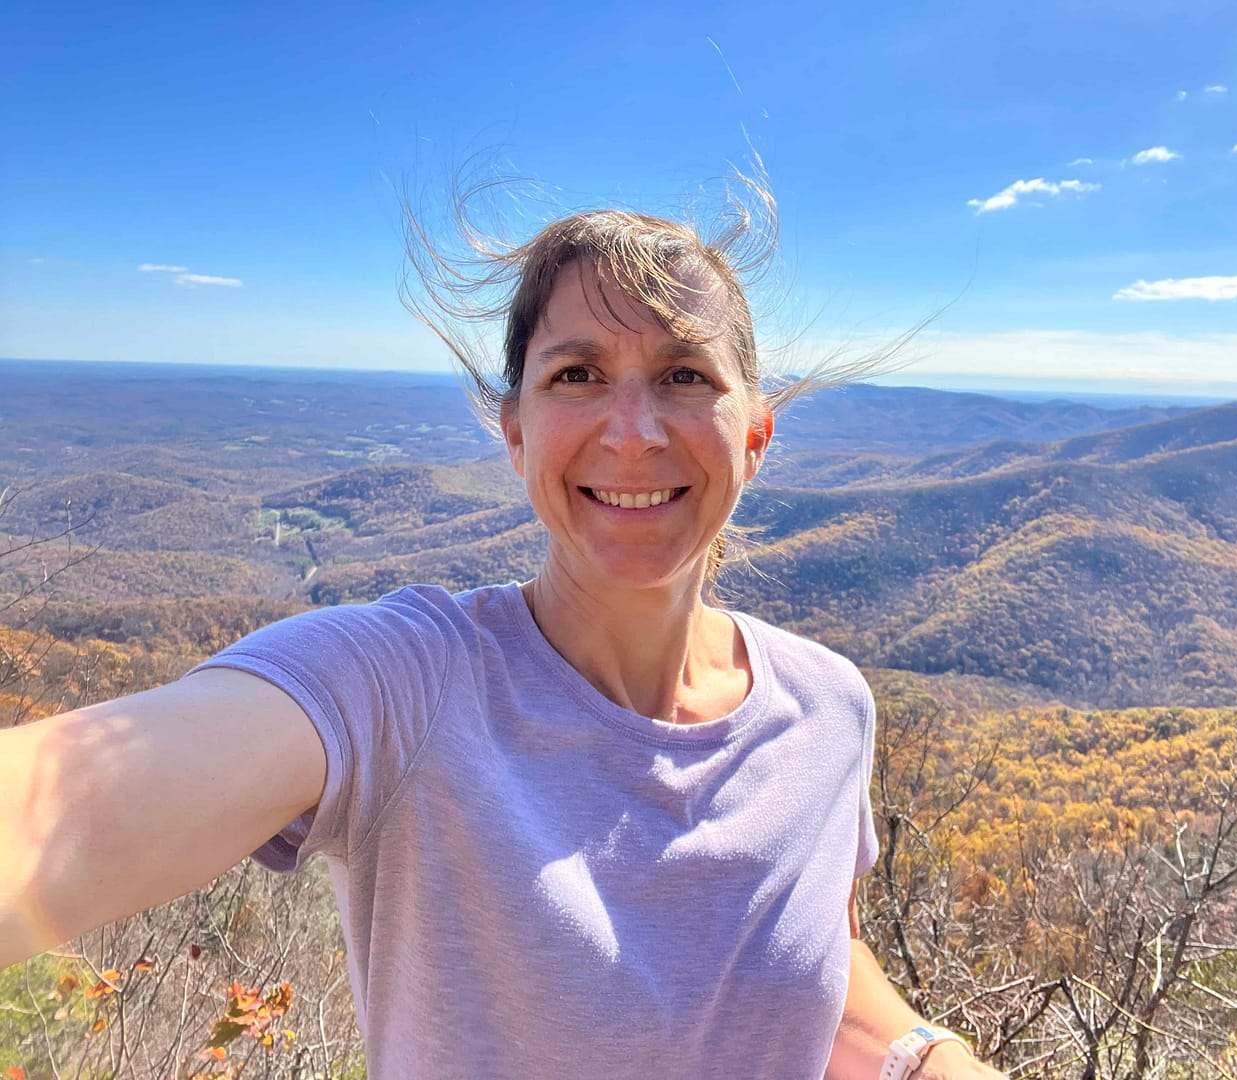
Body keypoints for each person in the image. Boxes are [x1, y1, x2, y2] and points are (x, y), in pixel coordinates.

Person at [0, 199, 1004, 1079]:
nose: (634, 431)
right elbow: (64, 808)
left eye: (685, 375)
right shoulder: (404, 684)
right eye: (576, 374)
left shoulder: (830, 708)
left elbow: (816, 956)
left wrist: (927, 1057)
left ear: (754, 434)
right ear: (515, 428)